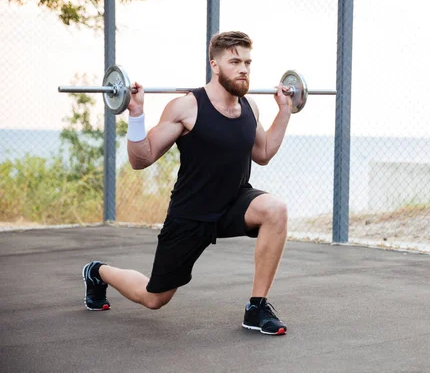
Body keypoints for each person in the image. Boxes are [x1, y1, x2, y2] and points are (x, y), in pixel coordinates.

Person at [82, 31, 292, 335]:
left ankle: (257, 307)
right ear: (215, 65)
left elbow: (263, 153)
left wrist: (284, 112)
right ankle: (97, 272)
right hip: (191, 214)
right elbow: (141, 159)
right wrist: (137, 113)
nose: (244, 69)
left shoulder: (249, 108)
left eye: (247, 62)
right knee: (154, 298)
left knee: (275, 209)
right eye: (234, 61)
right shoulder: (187, 107)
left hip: (234, 203)